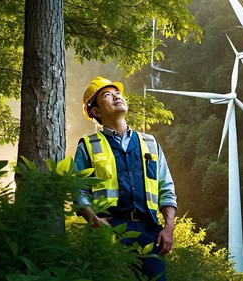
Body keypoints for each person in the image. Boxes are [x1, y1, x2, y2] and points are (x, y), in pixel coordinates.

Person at [74, 76, 177, 281]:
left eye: (118, 93)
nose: (116, 97)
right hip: (110, 231)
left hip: (150, 232)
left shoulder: (150, 142)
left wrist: (169, 229)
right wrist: (94, 221)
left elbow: (166, 187)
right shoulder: (87, 145)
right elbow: (78, 189)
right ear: (95, 111)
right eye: (107, 95)